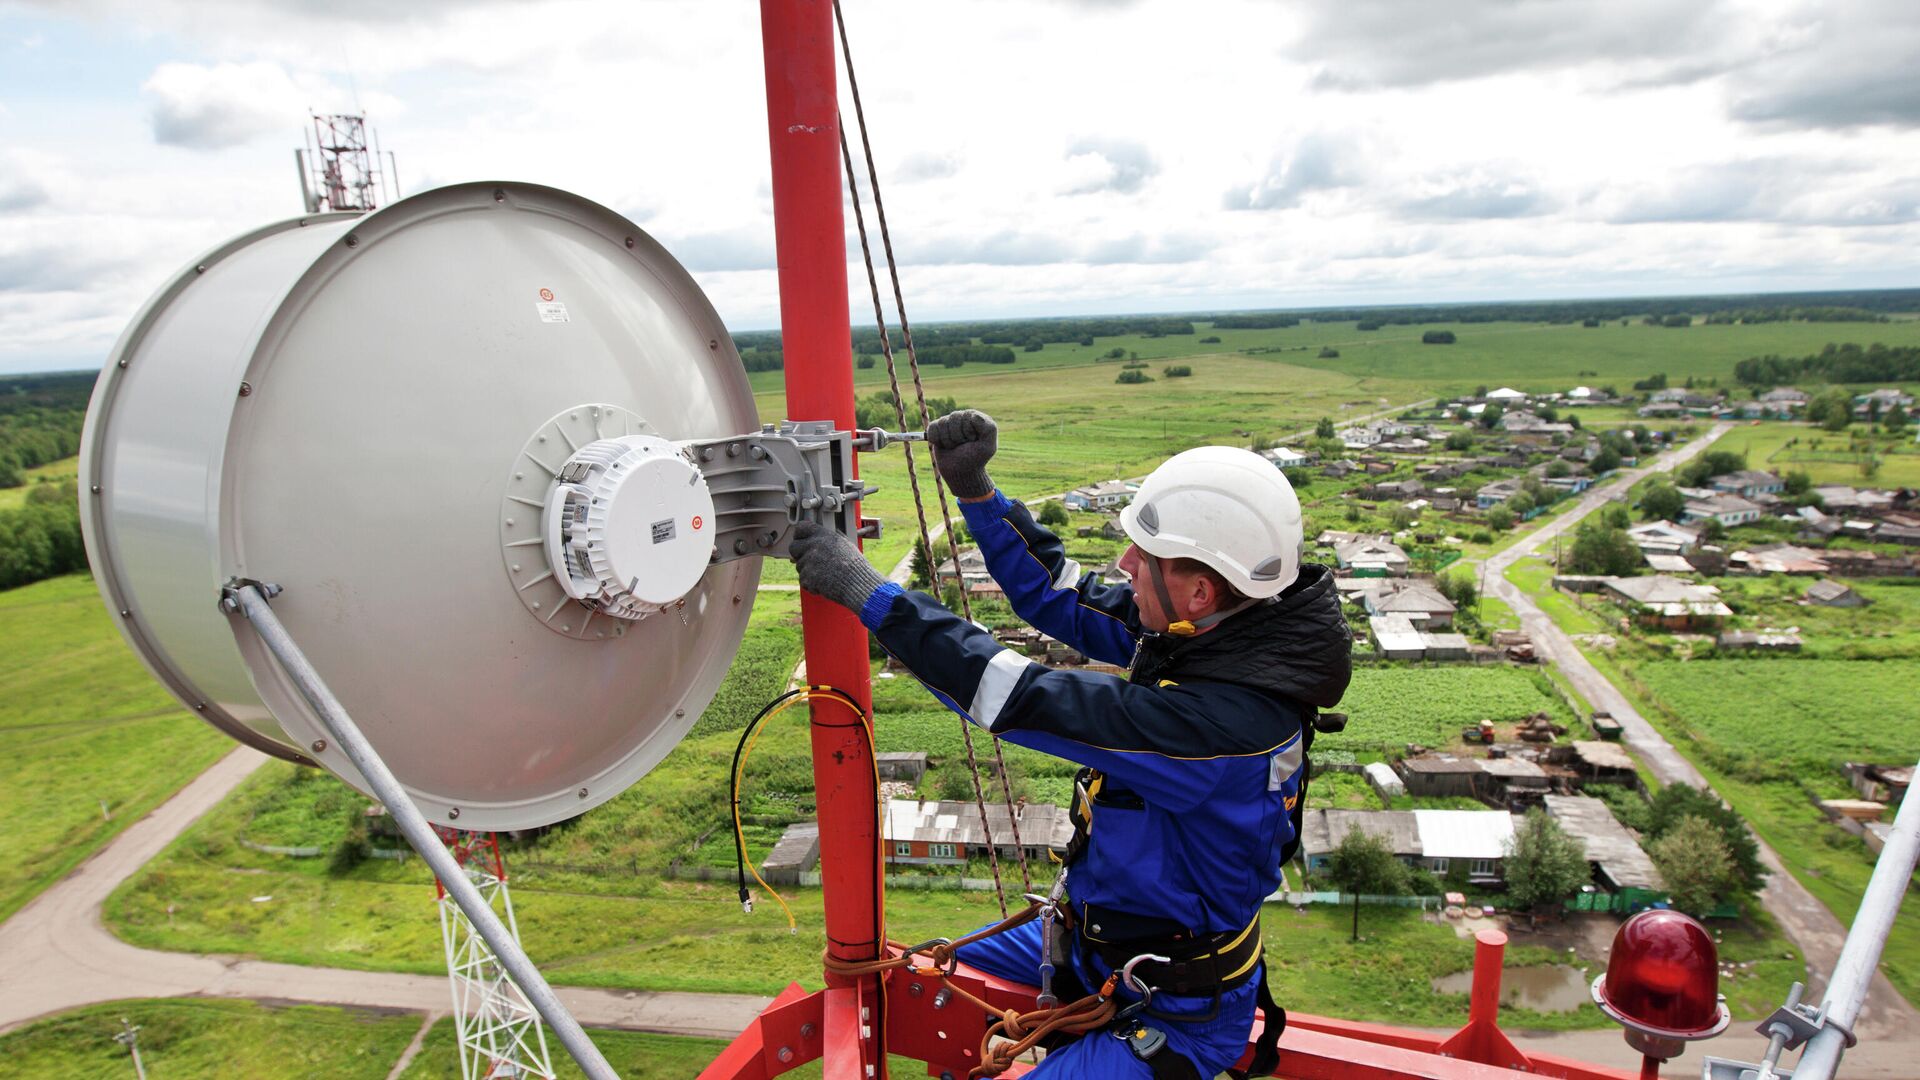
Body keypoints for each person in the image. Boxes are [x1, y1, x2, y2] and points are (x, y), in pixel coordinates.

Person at [789, 409, 1351, 1078]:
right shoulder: (1213, 635)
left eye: (1145, 556)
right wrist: (978, 494)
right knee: (910, 985)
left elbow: (1019, 694)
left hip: (1173, 1005)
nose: (1127, 564)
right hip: (1092, 943)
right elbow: (1061, 596)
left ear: (1199, 590)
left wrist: (871, 596)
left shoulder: (1226, 729)